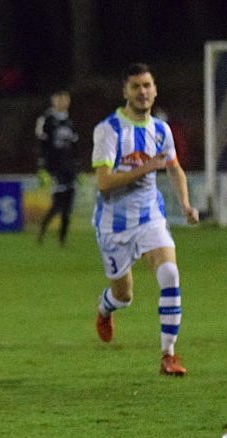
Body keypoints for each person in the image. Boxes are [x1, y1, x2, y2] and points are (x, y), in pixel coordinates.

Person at [91, 63, 199, 376]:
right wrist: (146, 167)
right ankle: (105, 307)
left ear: (155, 89)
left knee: (170, 275)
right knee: (124, 296)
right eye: (136, 86)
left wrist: (187, 205)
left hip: (150, 217)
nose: (143, 92)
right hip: (114, 225)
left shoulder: (161, 130)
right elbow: (105, 182)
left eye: (148, 85)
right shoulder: (108, 130)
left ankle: (169, 354)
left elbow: (173, 167)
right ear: (125, 91)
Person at [35, 89, 79, 246]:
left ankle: (62, 239)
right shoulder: (47, 119)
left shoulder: (70, 121)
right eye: (60, 99)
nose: (63, 102)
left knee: (68, 206)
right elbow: (42, 145)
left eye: (65, 99)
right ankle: (42, 231)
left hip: (69, 169)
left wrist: (77, 166)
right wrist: (44, 167)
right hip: (55, 169)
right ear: (54, 100)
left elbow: (75, 147)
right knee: (57, 205)